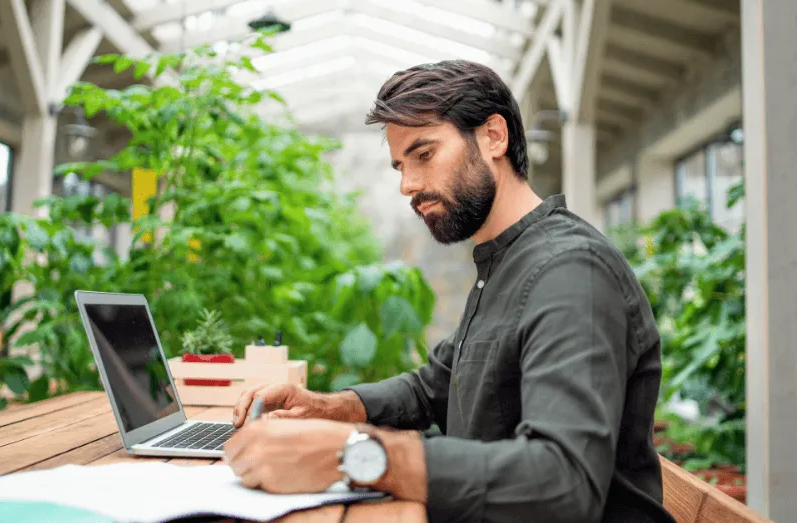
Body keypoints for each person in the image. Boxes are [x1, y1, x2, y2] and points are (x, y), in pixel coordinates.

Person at [223, 59, 676, 523]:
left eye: (424, 154)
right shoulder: (505, 262)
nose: (408, 185)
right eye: (400, 166)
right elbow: (433, 388)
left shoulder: (571, 273)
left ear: (494, 137)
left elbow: (563, 481)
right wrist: (328, 408)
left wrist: (359, 454)